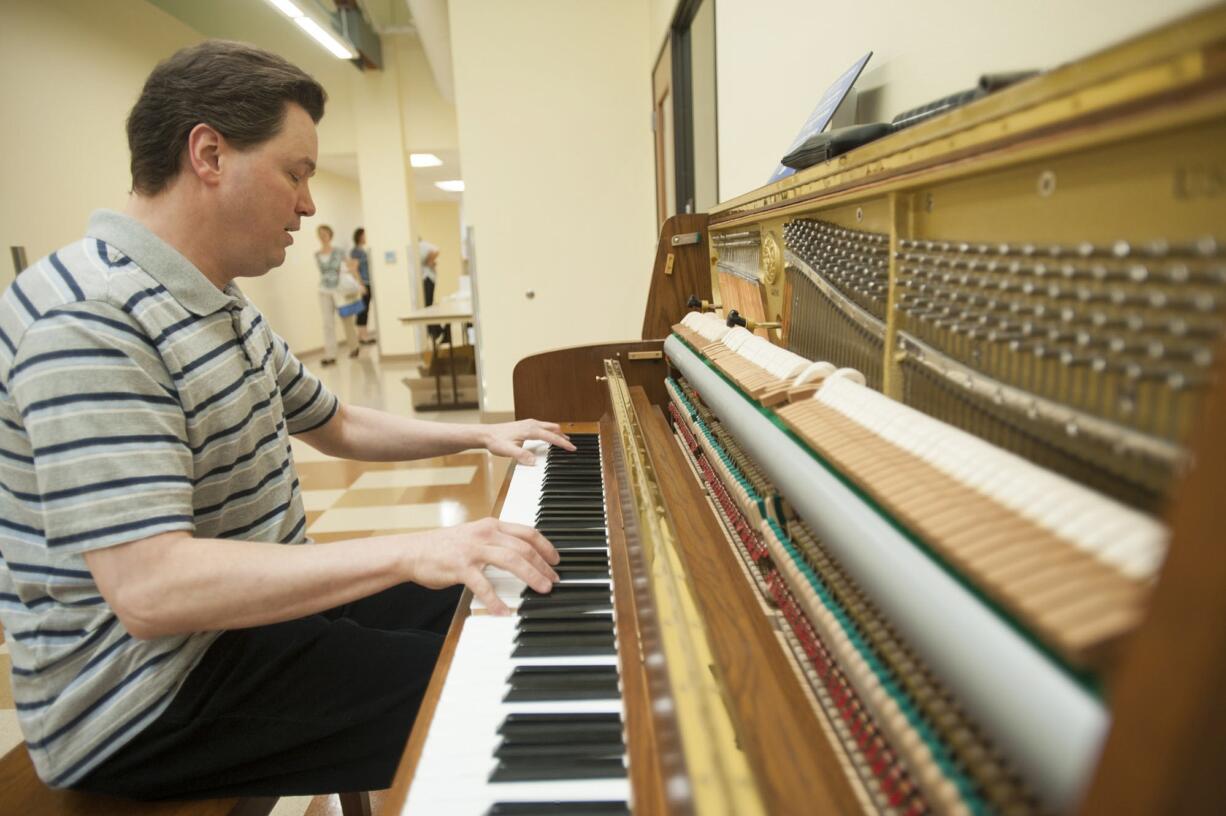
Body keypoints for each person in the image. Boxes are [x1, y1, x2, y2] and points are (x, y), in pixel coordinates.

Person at [0, 40, 569, 800]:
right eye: (295, 173)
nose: (308, 203)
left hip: (236, 629)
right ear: (209, 154)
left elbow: (336, 423)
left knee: (518, 586)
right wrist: (411, 549)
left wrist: (480, 433)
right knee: (509, 696)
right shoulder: (90, 320)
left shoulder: (211, 295)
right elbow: (151, 592)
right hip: (141, 696)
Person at [314, 223, 359, 363]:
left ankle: (354, 346)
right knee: (327, 323)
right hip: (324, 291)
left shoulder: (339, 251)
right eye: (320, 234)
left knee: (346, 320)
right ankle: (331, 355)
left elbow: (352, 265)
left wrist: (359, 282)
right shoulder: (317, 255)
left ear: (330, 235)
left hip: (339, 290)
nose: (322, 236)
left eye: (325, 234)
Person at [351, 227, 376, 345]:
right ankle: (363, 336)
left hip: (367, 282)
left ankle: (362, 336)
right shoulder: (357, 251)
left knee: (364, 309)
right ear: (360, 236)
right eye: (365, 235)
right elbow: (354, 268)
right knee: (363, 310)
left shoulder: (362, 250)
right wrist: (361, 284)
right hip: (364, 283)